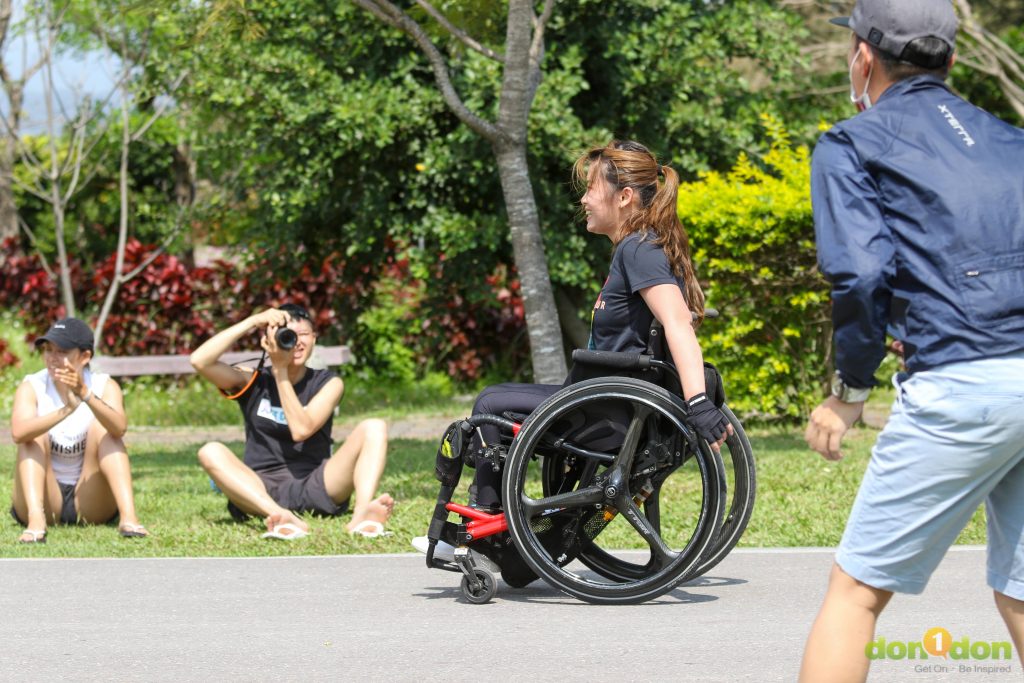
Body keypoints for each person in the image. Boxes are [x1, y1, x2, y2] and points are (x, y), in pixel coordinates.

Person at [800, 1, 1024, 679]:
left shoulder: (851, 142)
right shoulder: (1011, 138)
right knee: (1019, 588)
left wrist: (849, 392)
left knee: (856, 594)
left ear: (863, 57)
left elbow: (862, 272)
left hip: (963, 384)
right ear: (950, 61)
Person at [413, 140, 731, 557]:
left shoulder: (638, 249)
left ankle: (482, 534)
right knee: (502, 401)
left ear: (624, 197)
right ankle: (520, 546)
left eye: (590, 189)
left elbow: (677, 322)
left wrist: (699, 402)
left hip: (605, 412)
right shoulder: (640, 248)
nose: (583, 199)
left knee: (490, 402)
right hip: (609, 404)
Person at [190, 304, 393, 540]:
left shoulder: (328, 382)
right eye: (288, 336)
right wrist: (252, 322)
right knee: (210, 451)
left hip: (318, 483)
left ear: (314, 339)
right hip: (260, 490)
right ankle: (279, 515)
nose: (296, 342)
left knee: (374, 427)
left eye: (303, 335)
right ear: (268, 342)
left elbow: (301, 429)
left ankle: (361, 513)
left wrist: (280, 372)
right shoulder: (253, 379)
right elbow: (199, 361)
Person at [10, 317, 148, 543]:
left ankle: (129, 518)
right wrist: (66, 410)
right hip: (46, 496)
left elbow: (119, 428)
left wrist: (85, 394)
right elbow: (18, 433)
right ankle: (36, 523)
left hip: (90, 500)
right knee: (32, 437)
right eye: (48, 350)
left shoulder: (104, 385)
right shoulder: (31, 385)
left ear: (85, 357)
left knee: (105, 431)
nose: (52, 358)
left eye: (61, 351)